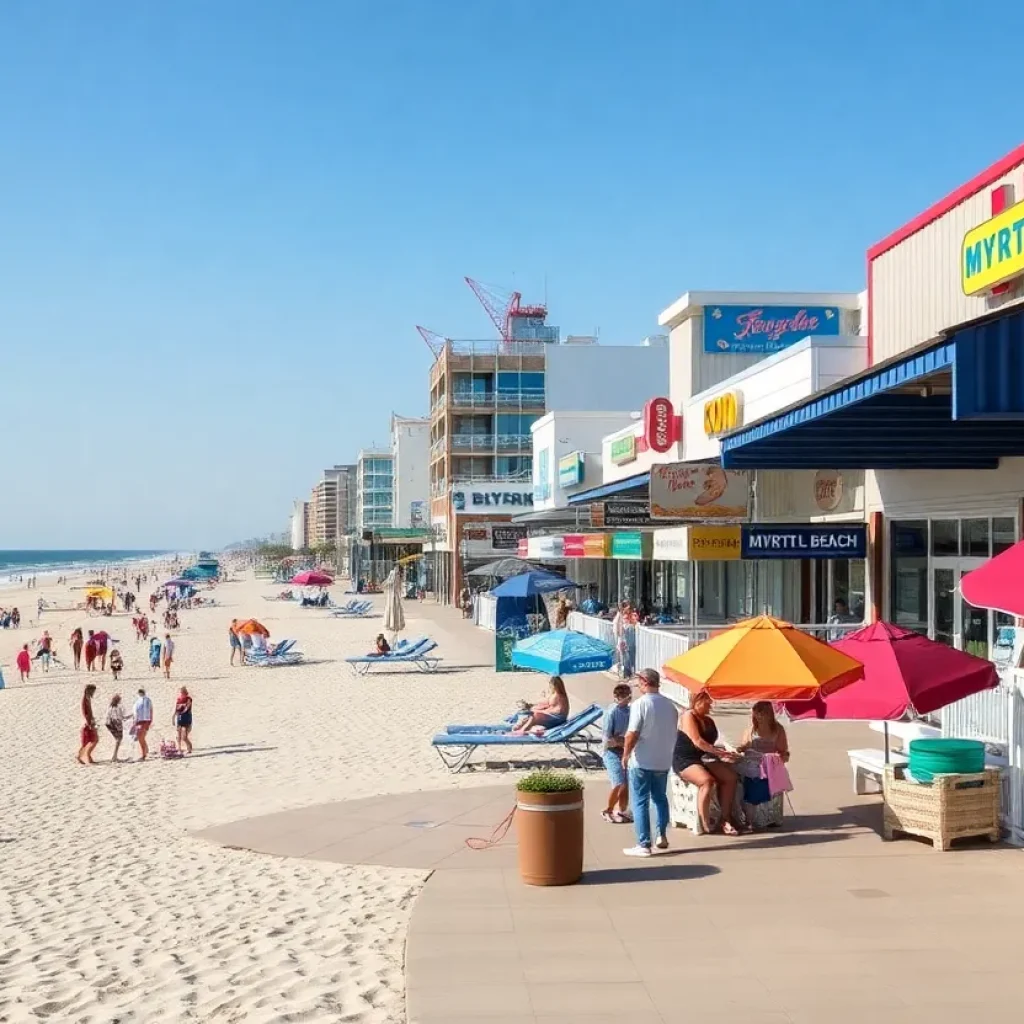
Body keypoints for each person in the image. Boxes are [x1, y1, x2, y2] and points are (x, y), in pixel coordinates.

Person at [621, 668, 679, 857]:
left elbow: (632, 733)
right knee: (660, 798)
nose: (638, 684)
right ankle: (661, 834)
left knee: (640, 801)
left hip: (643, 759)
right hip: (663, 759)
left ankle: (644, 843)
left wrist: (626, 754)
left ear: (645, 682)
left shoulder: (641, 704)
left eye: (639, 681)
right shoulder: (670, 706)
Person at [673, 689, 742, 836]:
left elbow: (711, 745)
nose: (710, 704)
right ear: (697, 701)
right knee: (707, 781)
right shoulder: (688, 716)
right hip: (685, 759)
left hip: (703, 758)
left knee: (731, 777)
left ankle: (726, 818)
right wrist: (719, 753)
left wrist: (725, 753)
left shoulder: (708, 720)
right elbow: (698, 741)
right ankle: (704, 822)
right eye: (707, 702)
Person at [735, 701, 790, 830]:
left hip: (770, 765)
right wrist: (739, 749)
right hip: (751, 764)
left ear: (770, 714)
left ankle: (758, 815)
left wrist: (777, 757)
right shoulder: (750, 730)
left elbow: (783, 752)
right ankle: (748, 814)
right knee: (739, 776)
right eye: (757, 713)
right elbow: (743, 747)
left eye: (763, 713)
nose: (759, 716)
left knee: (759, 779)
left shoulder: (778, 730)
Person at [601, 683, 633, 824]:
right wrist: (623, 741)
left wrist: (625, 742)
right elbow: (608, 740)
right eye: (620, 695)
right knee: (618, 782)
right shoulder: (611, 712)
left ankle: (621, 810)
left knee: (626, 783)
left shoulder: (630, 711)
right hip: (612, 752)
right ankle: (608, 810)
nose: (624, 697)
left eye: (626, 694)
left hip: (625, 750)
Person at [612, 600, 639, 679]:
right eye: (627, 607)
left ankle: (629, 672)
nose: (629, 609)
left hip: (629, 640)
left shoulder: (632, 615)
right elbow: (616, 626)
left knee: (629, 654)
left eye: (630, 607)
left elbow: (635, 622)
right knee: (624, 655)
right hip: (623, 638)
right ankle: (625, 673)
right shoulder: (620, 616)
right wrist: (618, 634)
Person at [77, 684, 99, 765]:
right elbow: (85, 712)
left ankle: (87, 756)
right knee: (90, 740)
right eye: (93, 691)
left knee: (93, 740)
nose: (94, 692)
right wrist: (89, 723)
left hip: (90, 721)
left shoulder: (87, 698)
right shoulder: (85, 700)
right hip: (87, 723)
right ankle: (82, 756)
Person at [106, 693, 130, 762]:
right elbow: (122, 717)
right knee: (118, 740)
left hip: (109, 724)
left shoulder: (110, 706)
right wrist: (131, 715)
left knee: (118, 740)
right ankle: (114, 756)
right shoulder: (118, 707)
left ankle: (114, 756)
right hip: (115, 724)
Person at [133, 687, 154, 760]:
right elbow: (151, 710)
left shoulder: (139, 701)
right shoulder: (147, 700)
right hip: (145, 720)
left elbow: (136, 712)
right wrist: (150, 720)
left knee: (140, 737)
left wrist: (135, 721)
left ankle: (144, 754)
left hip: (142, 720)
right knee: (141, 737)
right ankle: (145, 751)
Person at [174, 686, 193, 753]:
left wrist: (182, 710)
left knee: (184, 736)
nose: (182, 693)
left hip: (186, 718)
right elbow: (176, 709)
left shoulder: (189, 698)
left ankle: (189, 747)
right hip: (179, 718)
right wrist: (173, 717)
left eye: (183, 692)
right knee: (178, 735)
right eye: (181, 692)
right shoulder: (179, 699)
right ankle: (179, 749)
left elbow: (187, 707)